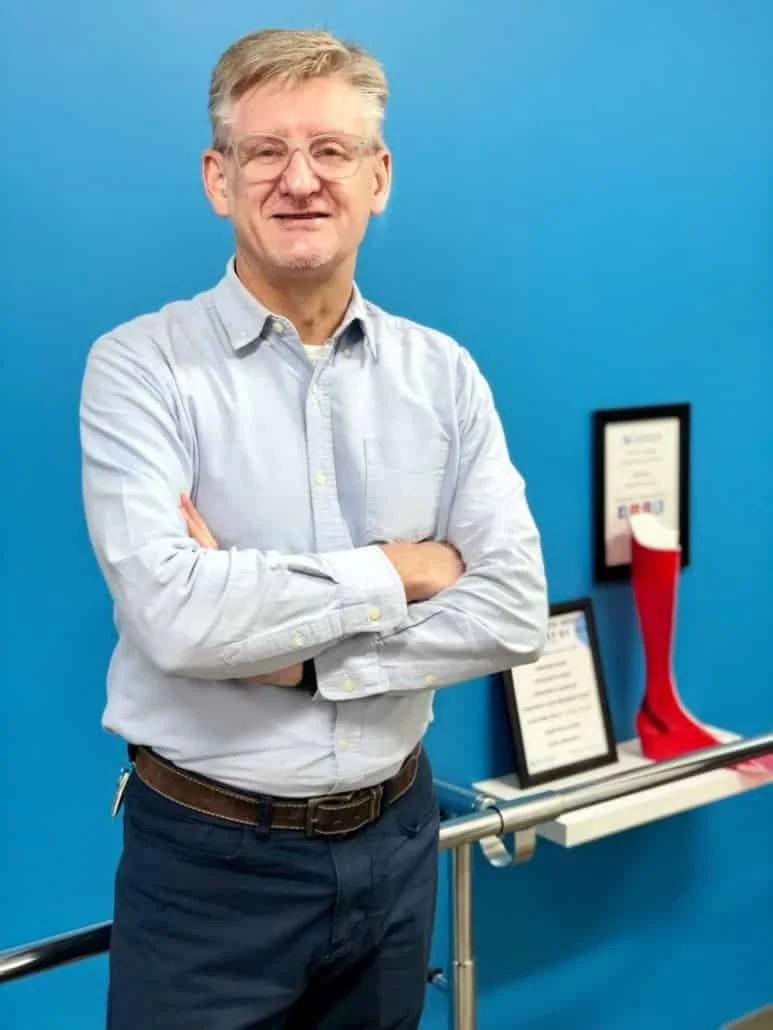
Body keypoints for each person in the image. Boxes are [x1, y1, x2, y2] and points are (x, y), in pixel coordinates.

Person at [79, 27, 548, 1030]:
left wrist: (299, 658)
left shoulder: (443, 376)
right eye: (265, 152)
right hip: (209, 868)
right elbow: (177, 622)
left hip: (397, 836)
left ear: (377, 176)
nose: (300, 180)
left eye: (331, 151)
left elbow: (510, 609)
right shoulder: (138, 370)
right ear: (218, 177)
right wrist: (403, 568)